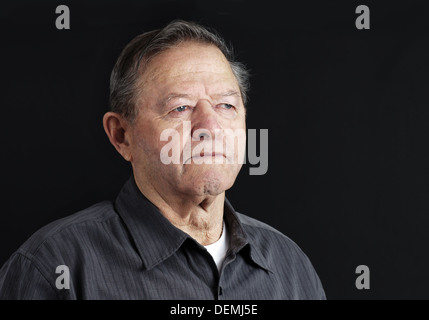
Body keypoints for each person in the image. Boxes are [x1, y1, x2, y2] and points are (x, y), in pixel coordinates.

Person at [0, 20, 326, 300]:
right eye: (180, 108)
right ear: (121, 136)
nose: (210, 127)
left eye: (226, 106)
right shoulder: (56, 267)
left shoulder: (290, 265)